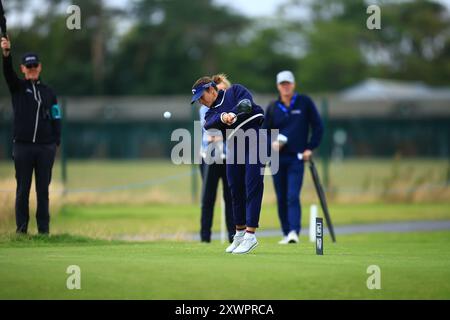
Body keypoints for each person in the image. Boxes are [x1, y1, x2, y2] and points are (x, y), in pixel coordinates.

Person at [191, 76, 265, 254]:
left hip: (254, 141)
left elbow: (247, 104)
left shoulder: (235, 90)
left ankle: (250, 235)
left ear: (211, 89)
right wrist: (223, 117)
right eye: (198, 99)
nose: (201, 101)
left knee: (252, 187)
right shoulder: (209, 112)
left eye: (202, 97)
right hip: (234, 148)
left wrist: (233, 113)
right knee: (235, 190)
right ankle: (239, 234)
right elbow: (209, 125)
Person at [1, 36, 61, 235]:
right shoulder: (18, 88)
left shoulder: (49, 92)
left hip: (45, 147)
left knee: (42, 191)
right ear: (23, 69)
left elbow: (56, 116)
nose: (32, 68)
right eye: (29, 66)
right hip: (23, 146)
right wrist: (6, 54)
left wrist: (56, 142)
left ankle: (44, 231)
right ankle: (21, 230)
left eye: (35, 65)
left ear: (40, 67)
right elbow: (7, 72)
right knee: (23, 190)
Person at [263, 70, 323, 244]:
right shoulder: (273, 107)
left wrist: (310, 148)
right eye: (282, 84)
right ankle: (286, 232)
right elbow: (264, 133)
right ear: (278, 86)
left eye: (288, 83)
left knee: (292, 195)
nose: (285, 87)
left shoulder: (304, 102)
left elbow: (318, 126)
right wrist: (272, 143)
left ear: (293, 84)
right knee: (281, 197)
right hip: (276, 158)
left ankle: (294, 233)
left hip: (297, 157)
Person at [198, 74, 234, 243]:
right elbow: (211, 133)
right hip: (210, 157)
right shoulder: (205, 108)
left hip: (228, 158)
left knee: (231, 198)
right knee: (208, 199)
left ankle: (234, 237)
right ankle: (205, 238)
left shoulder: (232, 107)